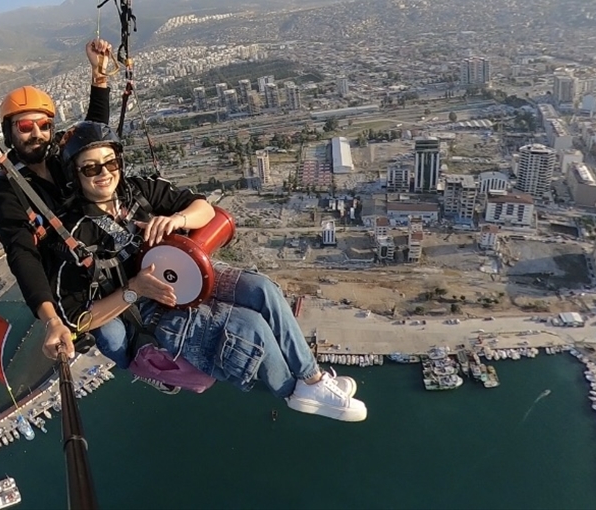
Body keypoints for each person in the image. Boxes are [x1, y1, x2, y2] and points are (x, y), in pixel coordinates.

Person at [38, 121, 368, 422]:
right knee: (249, 327)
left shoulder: (137, 191)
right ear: (75, 174)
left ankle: (312, 379)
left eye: (110, 163)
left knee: (262, 289)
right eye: (91, 168)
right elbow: (79, 320)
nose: (104, 173)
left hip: (185, 276)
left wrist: (176, 219)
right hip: (149, 312)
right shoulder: (73, 235)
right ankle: (293, 393)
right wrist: (134, 289)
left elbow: (204, 208)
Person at [0, 39, 114, 363]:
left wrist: (99, 76)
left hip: (103, 254)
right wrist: (51, 319)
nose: (36, 133)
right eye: (25, 126)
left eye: (44, 125)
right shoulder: (7, 188)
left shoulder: (62, 158)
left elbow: (94, 131)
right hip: (68, 283)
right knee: (115, 338)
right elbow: (21, 252)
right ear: (9, 132)